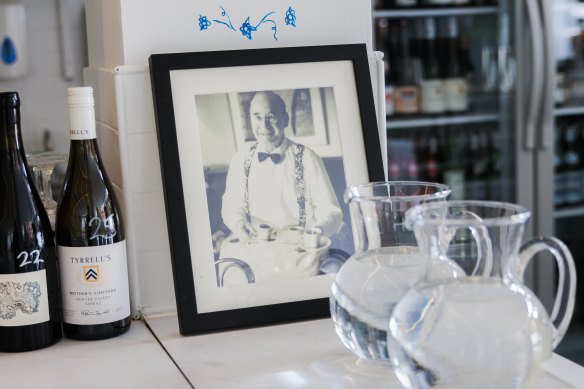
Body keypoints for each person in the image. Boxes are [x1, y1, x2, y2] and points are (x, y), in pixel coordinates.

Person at [221, 90, 343, 243]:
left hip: (301, 251)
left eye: (271, 117)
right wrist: (239, 224)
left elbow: (331, 212)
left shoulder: (308, 159)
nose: (264, 125)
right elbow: (231, 207)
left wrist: (316, 232)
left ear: (285, 120)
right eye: (257, 117)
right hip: (257, 250)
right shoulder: (239, 160)